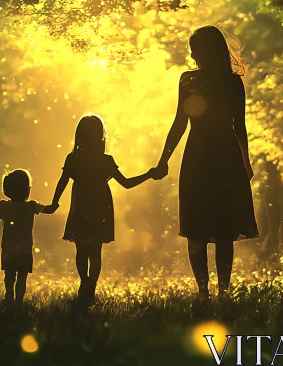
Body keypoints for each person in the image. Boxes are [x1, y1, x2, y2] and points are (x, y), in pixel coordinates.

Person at [154, 26, 258, 302]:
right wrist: (244, 163)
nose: (192, 55)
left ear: (207, 51)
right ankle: (216, 291)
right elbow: (237, 127)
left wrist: (245, 162)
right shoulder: (228, 82)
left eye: (195, 49)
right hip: (222, 157)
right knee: (216, 228)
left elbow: (182, 123)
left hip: (201, 156)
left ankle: (210, 292)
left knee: (205, 227)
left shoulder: (193, 80)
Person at [49, 114, 155, 305]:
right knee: (95, 251)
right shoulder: (105, 160)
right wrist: (148, 174)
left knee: (81, 249)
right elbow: (127, 183)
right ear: (100, 136)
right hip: (100, 208)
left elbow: (62, 181)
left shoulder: (73, 159)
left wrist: (54, 203)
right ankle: (90, 286)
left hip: (81, 206)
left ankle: (85, 282)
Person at [0, 169, 57, 305]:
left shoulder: (3, 206)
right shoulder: (32, 206)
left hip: (8, 248)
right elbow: (51, 209)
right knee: (22, 277)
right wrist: (57, 200)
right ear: (27, 190)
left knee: (9, 276)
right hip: (25, 249)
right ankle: (19, 302)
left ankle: (9, 299)